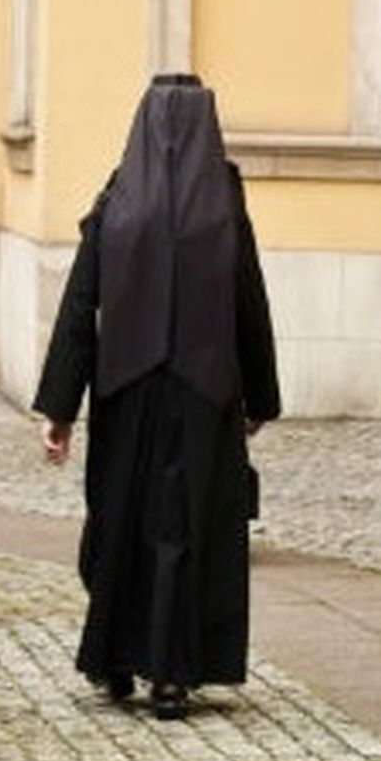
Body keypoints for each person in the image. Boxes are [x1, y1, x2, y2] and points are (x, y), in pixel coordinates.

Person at [36, 73, 280, 721]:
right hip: (204, 398)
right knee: (186, 530)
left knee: (122, 524)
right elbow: (248, 303)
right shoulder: (224, 202)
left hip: (127, 393)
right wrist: (260, 394)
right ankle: (172, 675)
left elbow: (80, 304)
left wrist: (61, 407)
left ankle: (112, 659)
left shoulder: (119, 198)